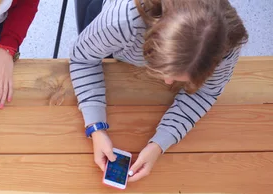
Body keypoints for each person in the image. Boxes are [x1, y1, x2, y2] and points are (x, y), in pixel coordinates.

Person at [69, 0, 248, 182]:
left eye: (177, 77)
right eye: (163, 72)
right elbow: (83, 58)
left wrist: (160, 143)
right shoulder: (121, 22)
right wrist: (95, 127)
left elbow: (206, 92)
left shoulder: (226, 44)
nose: (167, 82)